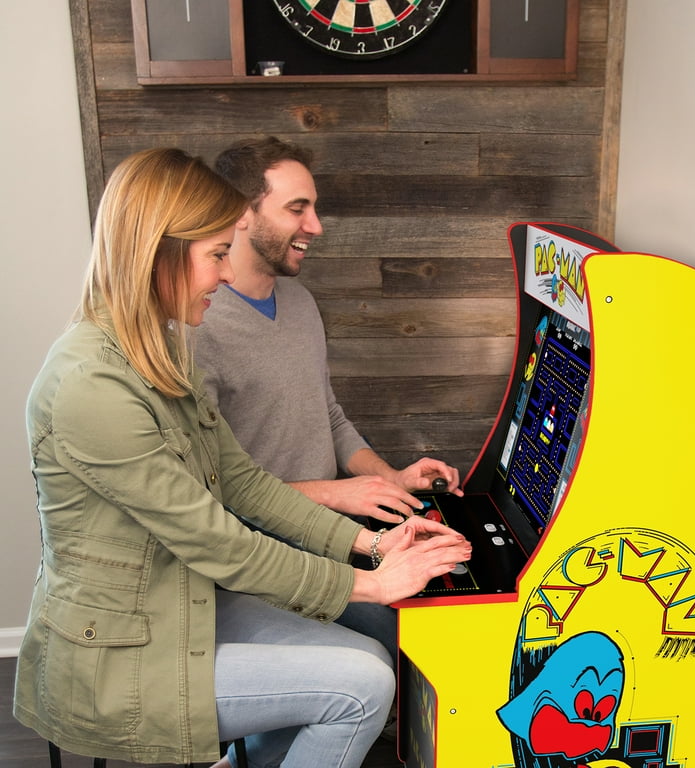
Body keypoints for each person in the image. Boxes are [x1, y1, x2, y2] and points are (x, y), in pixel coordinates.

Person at [12, 148, 471, 768]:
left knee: (366, 662)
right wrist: (369, 583)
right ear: (160, 254)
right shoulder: (91, 386)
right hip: (119, 653)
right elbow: (215, 539)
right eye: (216, 255)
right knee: (362, 686)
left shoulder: (162, 353)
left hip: (185, 602)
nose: (226, 276)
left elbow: (244, 483)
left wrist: (371, 547)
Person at [196, 136, 464, 528]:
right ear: (240, 213)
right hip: (260, 562)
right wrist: (335, 493)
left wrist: (389, 478)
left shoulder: (300, 302)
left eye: (314, 209)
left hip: (332, 539)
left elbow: (329, 419)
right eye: (296, 209)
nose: (316, 226)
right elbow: (209, 485)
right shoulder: (198, 325)